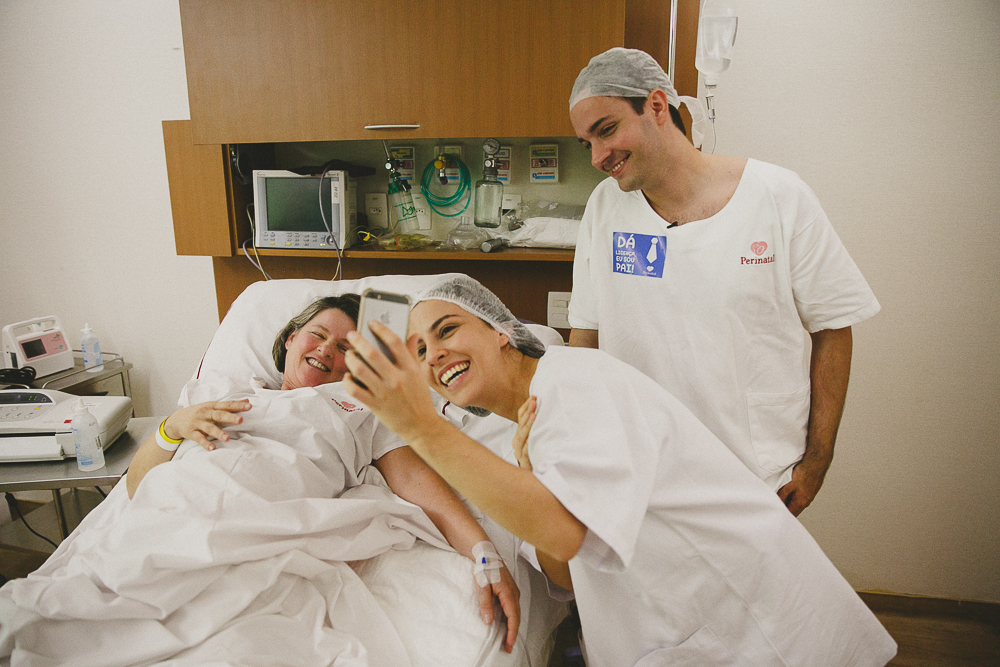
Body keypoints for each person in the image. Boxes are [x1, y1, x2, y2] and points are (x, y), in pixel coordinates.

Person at [341, 274, 896, 667]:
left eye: (446, 330)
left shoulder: (575, 381)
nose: (432, 354)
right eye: (416, 350)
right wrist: (528, 477)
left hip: (754, 627)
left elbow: (566, 529)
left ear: (500, 330)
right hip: (685, 630)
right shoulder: (521, 443)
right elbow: (563, 573)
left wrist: (419, 426)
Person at [566, 48, 881, 515]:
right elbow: (586, 339)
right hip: (640, 469)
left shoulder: (776, 196)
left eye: (606, 130)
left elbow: (833, 327)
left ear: (656, 106)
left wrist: (816, 461)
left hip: (757, 475)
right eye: (586, 142)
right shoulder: (605, 209)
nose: (597, 156)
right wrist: (575, 445)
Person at [126, 294, 521, 652]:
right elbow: (136, 488)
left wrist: (487, 557)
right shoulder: (217, 391)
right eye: (317, 335)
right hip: (173, 516)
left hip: (256, 532)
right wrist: (172, 426)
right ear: (290, 340)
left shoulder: (361, 411)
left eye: (346, 348)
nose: (326, 349)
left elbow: (421, 487)